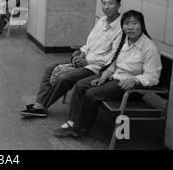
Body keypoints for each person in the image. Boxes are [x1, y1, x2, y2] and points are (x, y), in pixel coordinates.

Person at [53, 10, 162, 138]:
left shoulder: (149, 48)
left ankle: (79, 129)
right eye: (127, 23)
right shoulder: (125, 41)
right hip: (114, 77)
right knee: (80, 85)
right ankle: (73, 121)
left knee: (92, 94)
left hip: (130, 87)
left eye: (134, 23)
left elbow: (153, 76)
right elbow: (115, 63)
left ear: (142, 25)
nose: (130, 27)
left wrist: (135, 80)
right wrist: (104, 76)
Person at [20, 0, 123, 117]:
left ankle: (43, 107)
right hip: (84, 60)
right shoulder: (101, 21)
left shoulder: (121, 28)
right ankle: (39, 104)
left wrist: (88, 62)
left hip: (97, 68)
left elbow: (113, 56)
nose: (106, 7)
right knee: (50, 68)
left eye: (111, 3)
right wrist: (81, 53)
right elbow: (90, 42)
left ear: (119, 5)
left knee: (65, 78)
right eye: (104, 3)